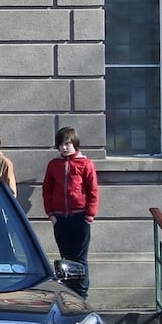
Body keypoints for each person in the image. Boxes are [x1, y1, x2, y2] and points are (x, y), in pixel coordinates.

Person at [42, 126, 99, 298]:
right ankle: (69, 292)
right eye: (61, 144)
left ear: (74, 144)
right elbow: (47, 190)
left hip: (80, 216)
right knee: (66, 258)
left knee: (80, 259)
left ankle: (81, 294)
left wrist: (89, 215)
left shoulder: (85, 164)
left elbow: (93, 190)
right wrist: (51, 214)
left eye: (67, 143)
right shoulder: (54, 165)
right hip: (60, 217)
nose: (64, 148)